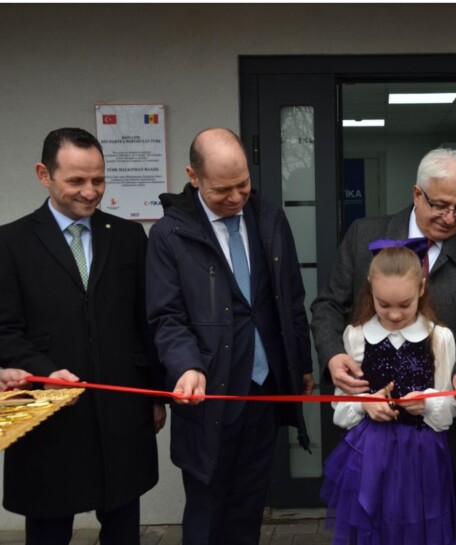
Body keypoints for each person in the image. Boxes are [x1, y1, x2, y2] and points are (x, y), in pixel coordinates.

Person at [146, 127, 314, 545]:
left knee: (249, 505)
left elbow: (291, 297)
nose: (238, 197)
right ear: (193, 177)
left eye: (244, 184)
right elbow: (167, 316)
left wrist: (302, 365)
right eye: (224, 190)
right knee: (207, 510)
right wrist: (184, 366)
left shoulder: (269, 217)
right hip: (207, 392)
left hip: (263, 389)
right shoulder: (169, 235)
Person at [0, 127, 165, 544]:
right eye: (76, 181)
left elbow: (145, 325)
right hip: (50, 415)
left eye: (98, 180)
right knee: (51, 529)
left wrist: (156, 396)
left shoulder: (128, 237)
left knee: (123, 525)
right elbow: (5, 331)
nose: (91, 192)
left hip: (122, 416)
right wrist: (46, 371)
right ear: (44, 174)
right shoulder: (10, 243)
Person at [311, 147, 456, 487]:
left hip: (439, 428)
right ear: (417, 193)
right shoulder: (364, 236)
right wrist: (333, 355)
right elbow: (327, 306)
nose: (449, 217)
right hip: (369, 425)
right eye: (440, 205)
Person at [321, 239, 456, 545]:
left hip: (422, 455)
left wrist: (427, 404)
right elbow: (341, 409)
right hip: (370, 455)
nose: (395, 314)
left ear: (422, 289)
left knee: (419, 529)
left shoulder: (438, 338)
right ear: (370, 289)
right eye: (383, 304)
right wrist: (365, 405)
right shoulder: (356, 336)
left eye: (405, 304)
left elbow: (449, 410)